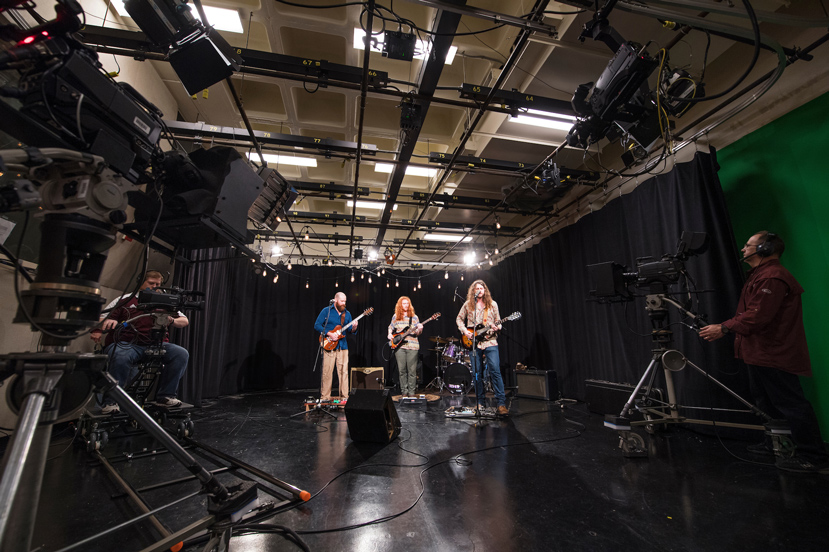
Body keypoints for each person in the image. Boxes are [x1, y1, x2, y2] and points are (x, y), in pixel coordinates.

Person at [699, 231, 828, 473]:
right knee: (765, 403)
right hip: (758, 353)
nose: (743, 249)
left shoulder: (772, 277)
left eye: (748, 245)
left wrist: (724, 328)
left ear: (765, 249)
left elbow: (758, 316)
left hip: (774, 354)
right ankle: (774, 443)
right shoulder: (760, 275)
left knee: (791, 404)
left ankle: (814, 456)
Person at [92, 271, 190, 414]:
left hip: (155, 344)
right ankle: (111, 402)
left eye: (157, 284)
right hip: (127, 344)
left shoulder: (164, 301)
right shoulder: (125, 299)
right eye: (151, 283)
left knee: (180, 354)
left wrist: (172, 320)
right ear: (140, 282)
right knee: (120, 355)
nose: (155, 286)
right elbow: (101, 318)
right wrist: (107, 323)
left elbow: (184, 320)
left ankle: (166, 396)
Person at [456, 280, 508, 416]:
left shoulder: (492, 304)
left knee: (495, 371)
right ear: (473, 291)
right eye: (476, 288)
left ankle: (501, 404)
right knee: (477, 374)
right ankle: (481, 403)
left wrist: (498, 326)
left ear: (485, 290)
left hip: (490, 342)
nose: (479, 290)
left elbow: (499, 321)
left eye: (481, 288)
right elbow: (459, 319)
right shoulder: (468, 305)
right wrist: (465, 331)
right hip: (474, 343)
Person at [314, 292, 358, 401]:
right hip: (328, 346)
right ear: (336, 300)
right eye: (342, 301)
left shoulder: (347, 314)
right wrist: (329, 333)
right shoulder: (326, 311)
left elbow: (350, 331)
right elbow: (317, 325)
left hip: (342, 346)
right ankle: (325, 397)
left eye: (345, 301)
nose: (344, 303)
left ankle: (344, 397)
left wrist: (354, 328)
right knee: (327, 372)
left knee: (344, 372)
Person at [387, 296, 423, 397]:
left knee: (412, 371)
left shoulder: (414, 317)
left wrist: (420, 329)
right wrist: (389, 334)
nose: (406, 305)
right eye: (404, 303)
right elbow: (390, 327)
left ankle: (411, 393)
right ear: (400, 305)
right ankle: (404, 392)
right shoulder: (396, 316)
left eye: (407, 303)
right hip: (400, 347)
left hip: (413, 346)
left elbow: (418, 333)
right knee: (401, 370)